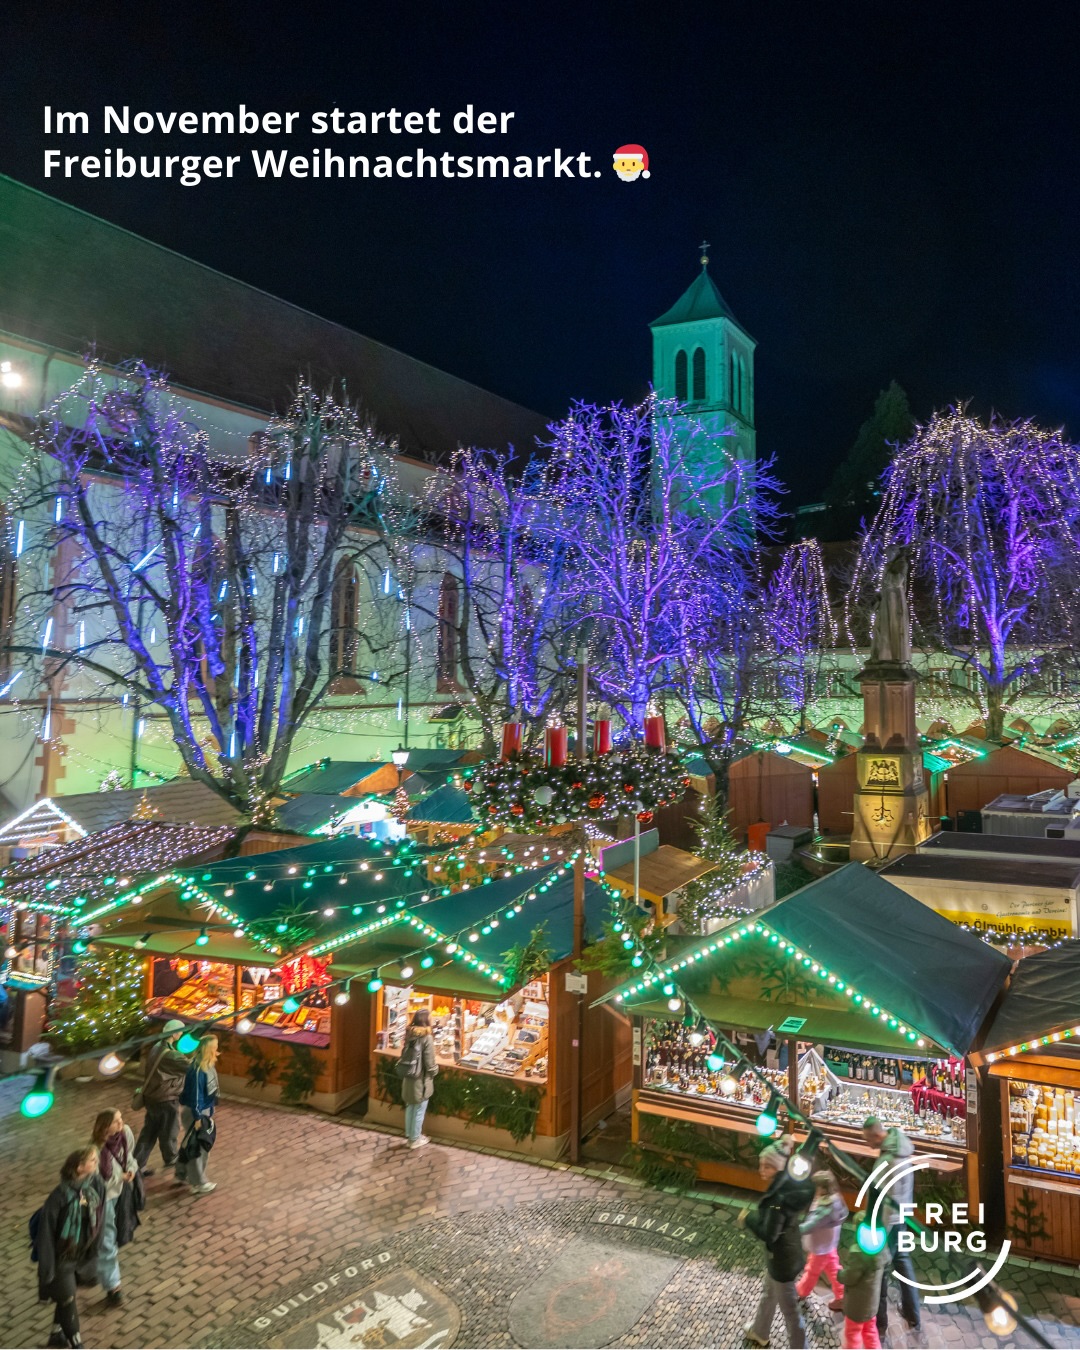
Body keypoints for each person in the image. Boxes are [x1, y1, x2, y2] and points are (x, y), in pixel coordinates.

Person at [741, 1137, 815, 1349]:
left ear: (777, 1168)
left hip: (781, 1261)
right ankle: (760, 1331)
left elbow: (768, 1233)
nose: (761, 1170)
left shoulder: (777, 1200)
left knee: (790, 1311)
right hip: (784, 1254)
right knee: (768, 1294)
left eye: (767, 1166)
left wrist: (747, 1218)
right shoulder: (786, 1183)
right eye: (761, 1164)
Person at [36, 1145, 107, 1349]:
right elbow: (46, 1235)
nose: (96, 1163)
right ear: (79, 1167)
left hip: (81, 1254)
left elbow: (100, 1218)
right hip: (62, 1259)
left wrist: (95, 1249)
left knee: (67, 1295)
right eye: (92, 1161)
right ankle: (77, 1345)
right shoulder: (58, 1197)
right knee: (67, 1298)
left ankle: (56, 1335)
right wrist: (47, 1270)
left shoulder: (93, 1188)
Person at [862, 1116, 924, 1344]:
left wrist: (871, 1227)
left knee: (879, 1269)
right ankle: (912, 1312)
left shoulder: (886, 1162)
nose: (867, 1145)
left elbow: (877, 1197)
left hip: (887, 1223)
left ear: (877, 1135)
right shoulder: (901, 1149)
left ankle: (879, 1323)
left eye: (868, 1140)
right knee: (903, 1262)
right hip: (901, 1217)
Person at [90, 1108, 136, 1306]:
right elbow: (98, 1181)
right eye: (116, 1121)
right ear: (104, 1126)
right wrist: (120, 1178)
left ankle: (98, 1269)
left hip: (121, 1194)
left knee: (116, 1234)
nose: (121, 1123)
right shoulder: (96, 1151)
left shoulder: (125, 1134)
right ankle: (113, 1286)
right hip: (104, 1199)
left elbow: (130, 1157)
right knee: (107, 1239)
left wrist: (131, 1170)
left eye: (120, 1119)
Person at [133, 1019, 190, 1175]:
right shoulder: (171, 1055)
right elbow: (190, 1068)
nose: (181, 1034)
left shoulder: (157, 1048)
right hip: (166, 1098)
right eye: (180, 1031)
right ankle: (171, 1157)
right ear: (174, 1033)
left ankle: (137, 1164)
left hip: (152, 1096)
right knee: (169, 1130)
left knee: (149, 1132)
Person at [795, 1170, 847, 1306]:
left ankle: (801, 1292)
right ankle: (842, 1296)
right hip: (828, 1244)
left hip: (821, 1246)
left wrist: (793, 1231)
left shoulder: (825, 1208)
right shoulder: (836, 1199)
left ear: (822, 1188)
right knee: (834, 1269)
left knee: (812, 1271)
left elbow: (811, 1225)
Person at [837, 1214, 889, 1349]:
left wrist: (839, 1274)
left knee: (852, 1334)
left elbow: (849, 1277)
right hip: (871, 1305)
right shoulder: (882, 1249)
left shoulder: (858, 1253)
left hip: (856, 1307)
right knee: (870, 1331)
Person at [176, 1033, 219, 1195]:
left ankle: (183, 1173)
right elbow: (196, 1096)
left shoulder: (206, 1065)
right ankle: (198, 1182)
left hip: (201, 1111)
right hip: (195, 1112)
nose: (216, 1050)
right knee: (199, 1148)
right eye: (214, 1047)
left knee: (192, 1144)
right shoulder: (197, 1070)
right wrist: (198, 1116)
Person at [397, 1008, 438, 1149]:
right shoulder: (427, 1037)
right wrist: (434, 1072)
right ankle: (415, 1139)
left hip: (409, 1075)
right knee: (419, 1108)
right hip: (420, 1078)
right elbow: (430, 1061)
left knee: (410, 1106)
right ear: (426, 1020)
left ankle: (410, 1135)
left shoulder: (410, 1035)